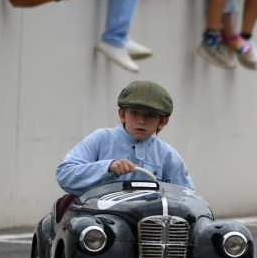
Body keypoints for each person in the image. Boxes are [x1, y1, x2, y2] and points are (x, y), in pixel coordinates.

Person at [56, 80, 193, 196]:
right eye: (134, 113)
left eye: (150, 115)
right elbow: (64, 174)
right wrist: (107, 167)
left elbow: (187, 196)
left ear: (163, 122)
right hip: (99, 219)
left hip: (148, 223)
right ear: (122, 114)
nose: (141, 121)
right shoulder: (100, 139)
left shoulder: (168, 155)